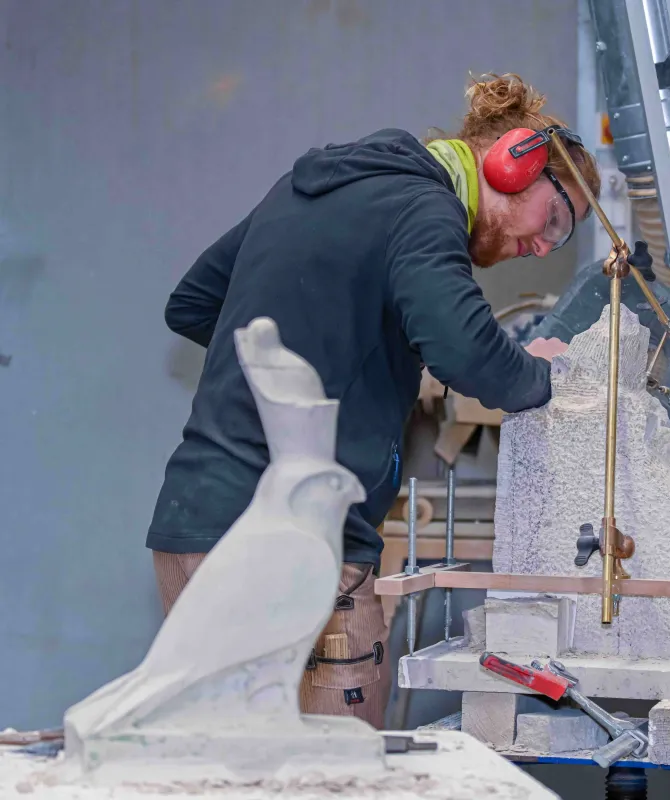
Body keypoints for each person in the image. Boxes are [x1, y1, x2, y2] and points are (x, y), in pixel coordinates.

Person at [146, 73, 601, 729]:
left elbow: (192, 303)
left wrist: (321, 351)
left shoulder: (310, 190)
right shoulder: (424, 209)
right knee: (339, 772)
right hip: (295, 546)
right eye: (554, 222)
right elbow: (471, 354)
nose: (541, 246)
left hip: (196, 528)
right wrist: (544, 374)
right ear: (513, 163)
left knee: (231, 767)